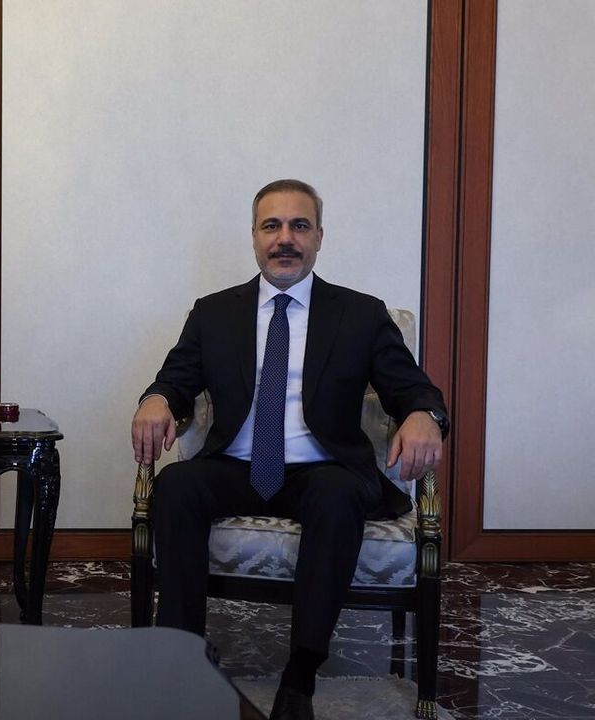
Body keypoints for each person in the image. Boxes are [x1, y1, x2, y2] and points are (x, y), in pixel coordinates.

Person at [131, 179, 448, 720]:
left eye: (299, 226)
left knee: (338, 494)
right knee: (177, 485)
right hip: (236, 464)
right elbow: (176, 379)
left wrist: (424, 416)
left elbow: (414, 389)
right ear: (254, 237)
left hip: (322, 470)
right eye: (271, 226)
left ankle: (300, 675)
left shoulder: (360, 314)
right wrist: (156, 400)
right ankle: (182, 659)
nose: (285, 239)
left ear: (319, 237)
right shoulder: (214, 312)